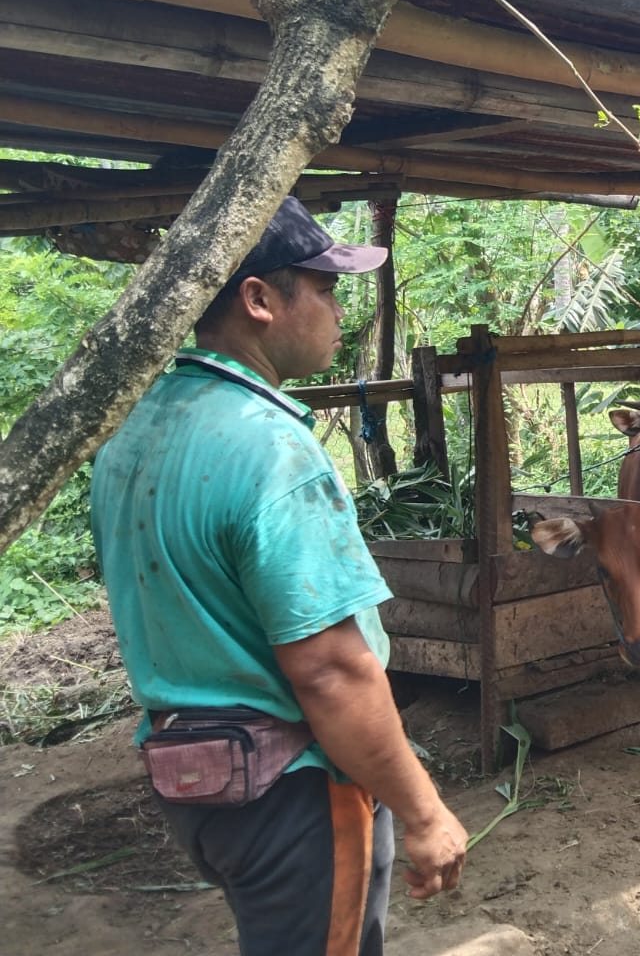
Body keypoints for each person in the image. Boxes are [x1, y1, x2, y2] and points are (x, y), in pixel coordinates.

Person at [91, 197, 467, 956]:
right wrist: (424, 813)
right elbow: (331, 669)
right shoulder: (274, 452)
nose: (336, 310)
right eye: (323, 289)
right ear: (259, 300)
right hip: (291, 791)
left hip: (197, 784)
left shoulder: (133, 432)